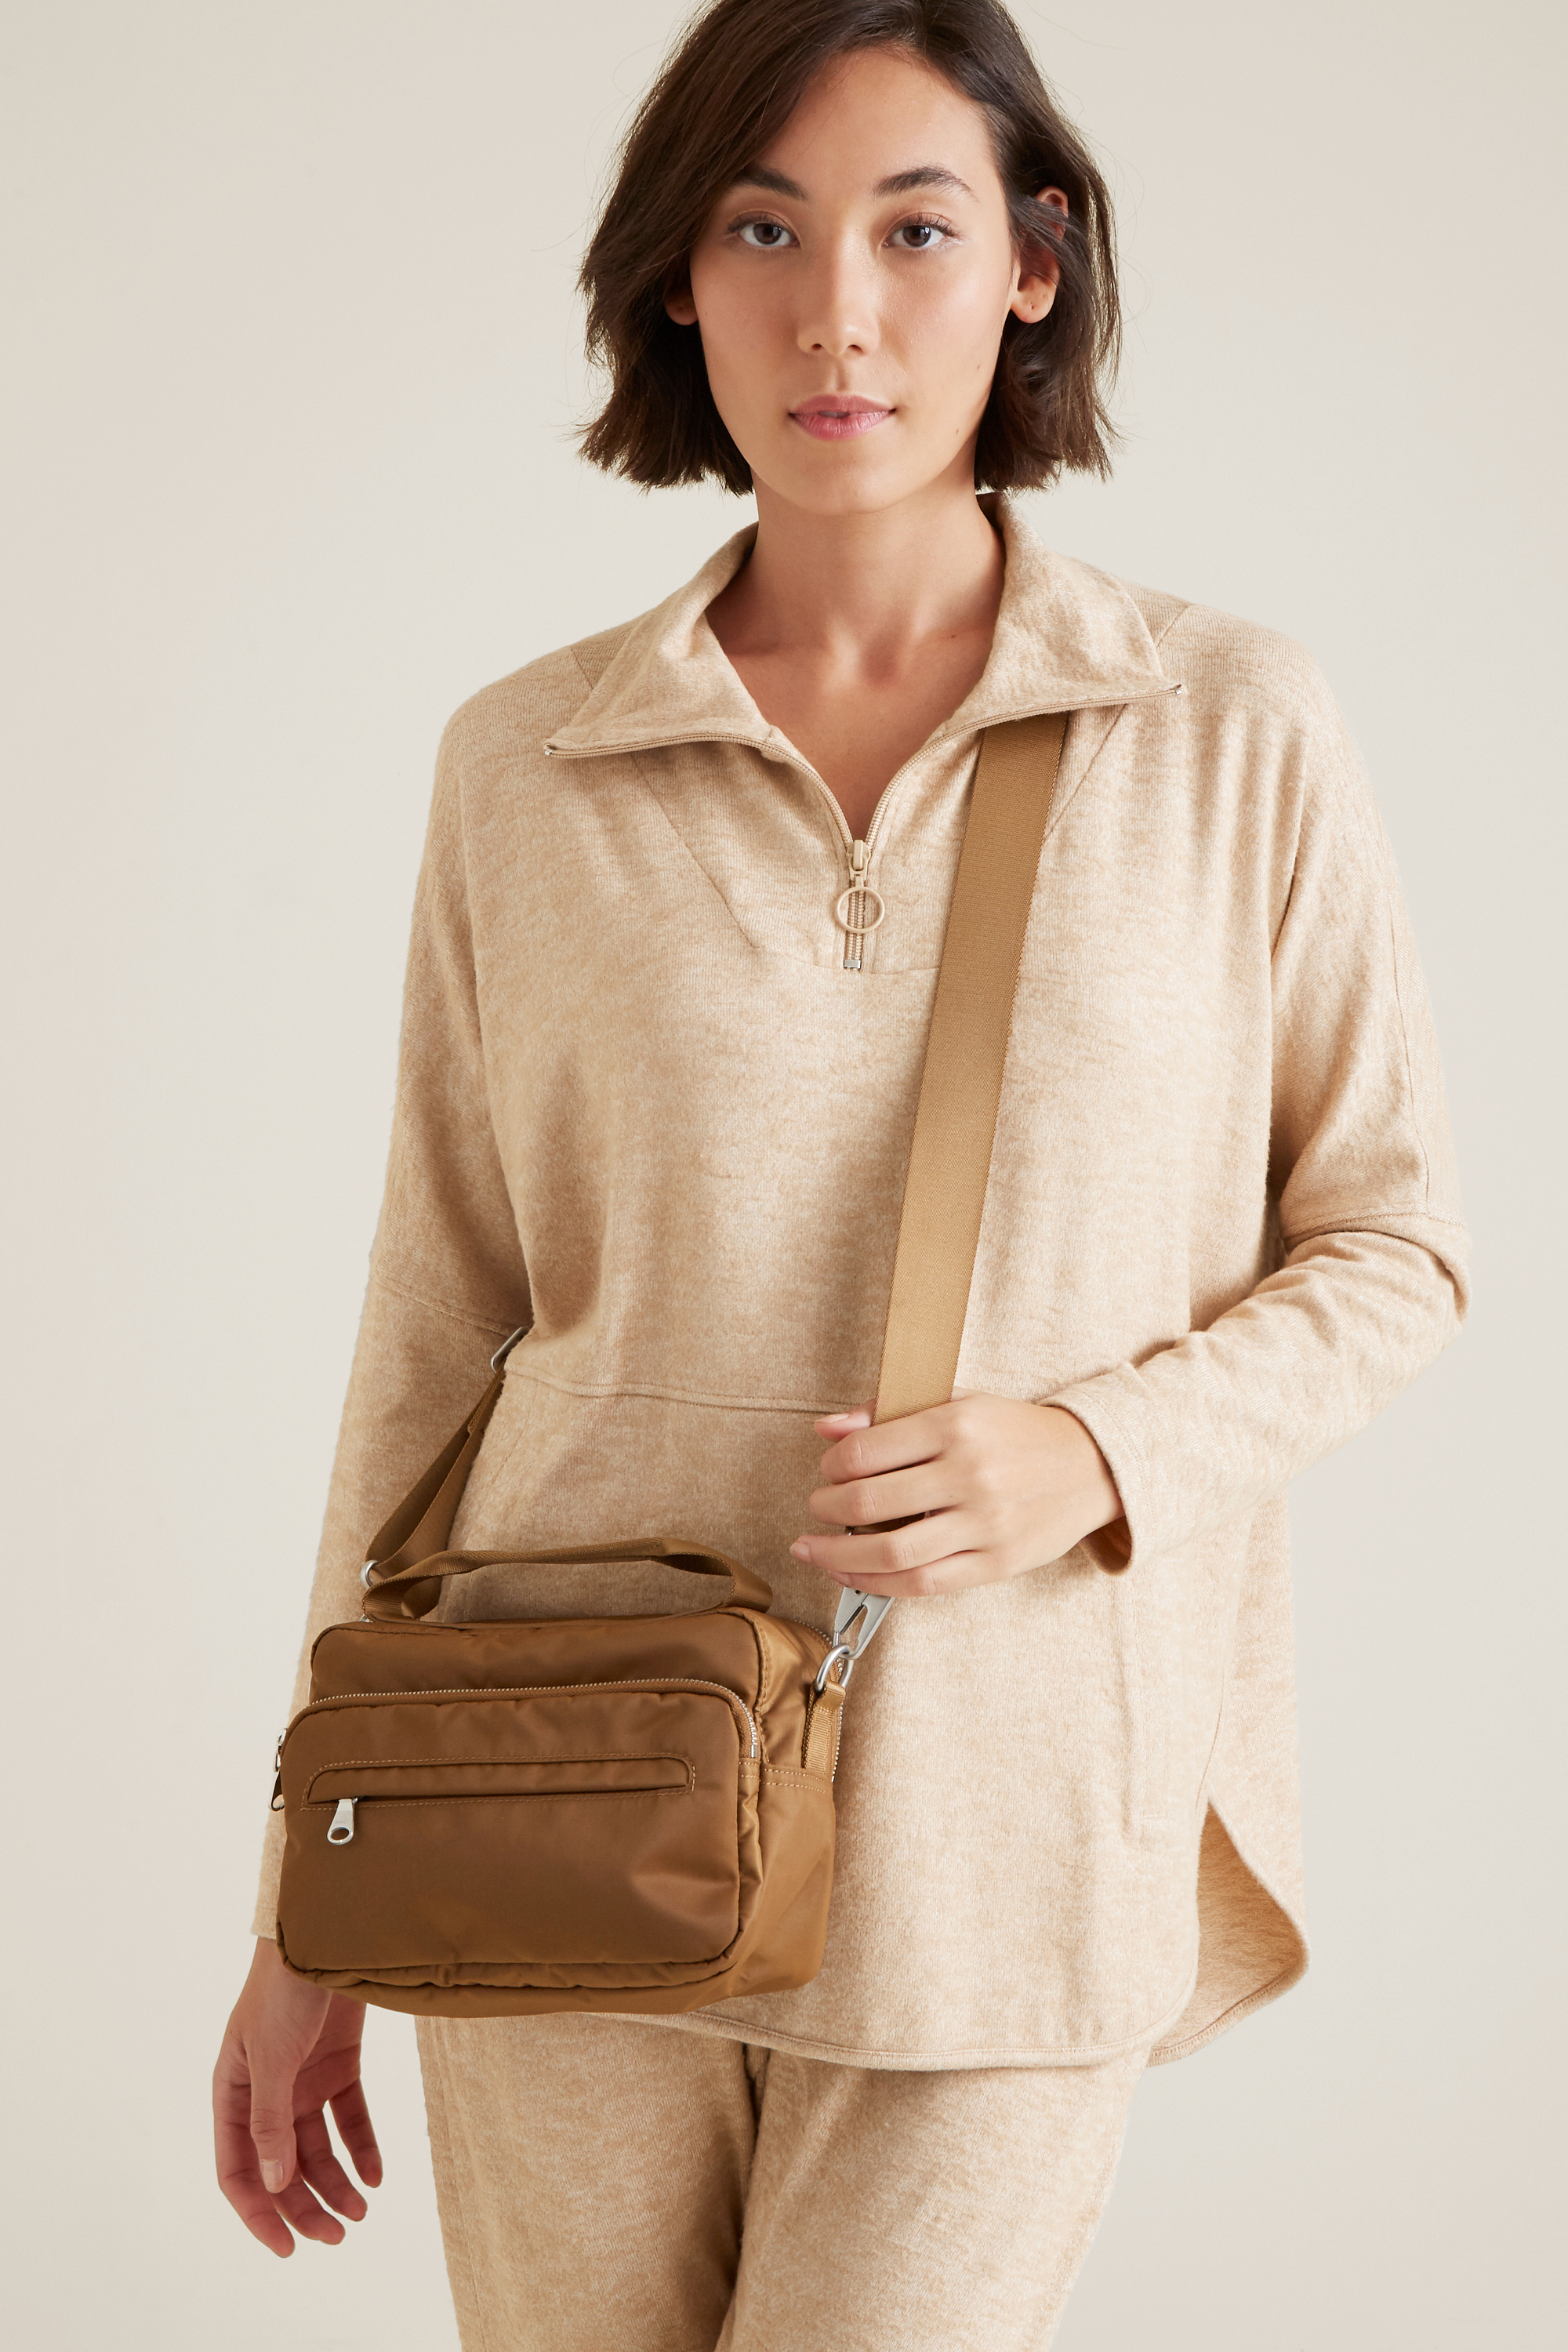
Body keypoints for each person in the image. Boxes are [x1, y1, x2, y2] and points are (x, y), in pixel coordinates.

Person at [212, 2, 1468, 2343]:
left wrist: (1096, 1449)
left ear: (1034, 262)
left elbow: (1396, 1245)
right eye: (763, 229)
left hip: (1011, 1812)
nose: (838, 313)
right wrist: (308, 1879)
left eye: (914, 228)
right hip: (553, 1780)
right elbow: (434, 1329)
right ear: (678, 281)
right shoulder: (528, 764)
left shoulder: (1226, 726)